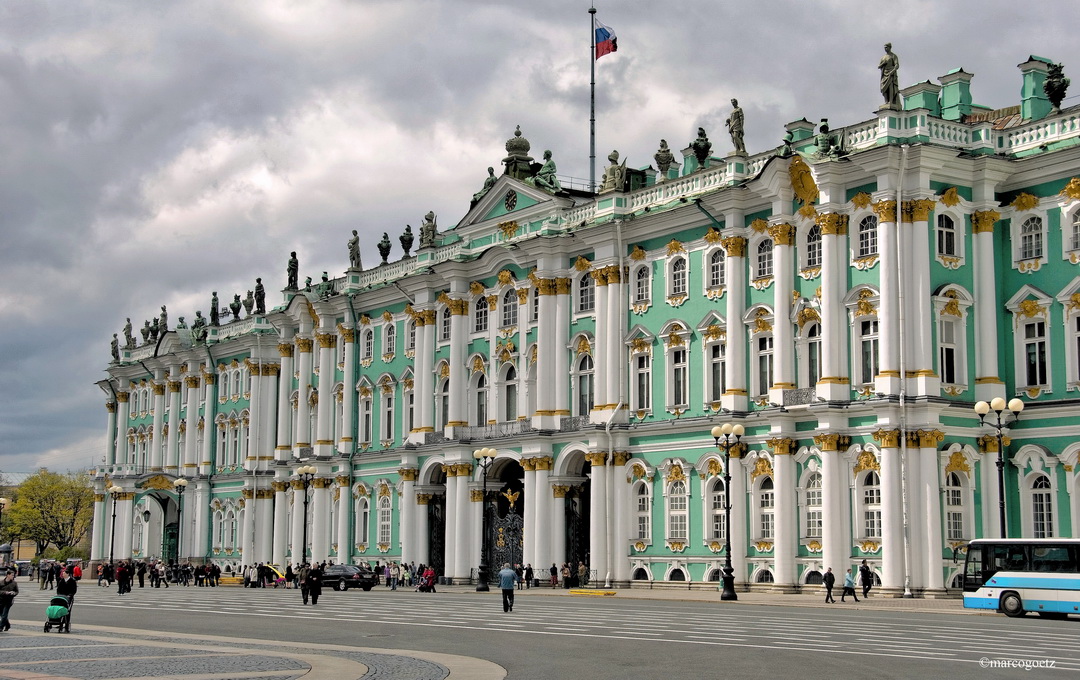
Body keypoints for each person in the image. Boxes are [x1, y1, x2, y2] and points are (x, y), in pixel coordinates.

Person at [878, 43, 900, 109]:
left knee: (890, 87)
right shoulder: (883, 57)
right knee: (884, 88)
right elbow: (879, 66)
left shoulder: (893, 56)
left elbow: (897, 65)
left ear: (890, 47)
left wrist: (893, 71)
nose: (885, 49)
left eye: (886, 47)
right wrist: (883, 63)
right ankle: (886, 102)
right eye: (884, 47)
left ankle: (890, 101)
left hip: (891, 73)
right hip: (884, 74)